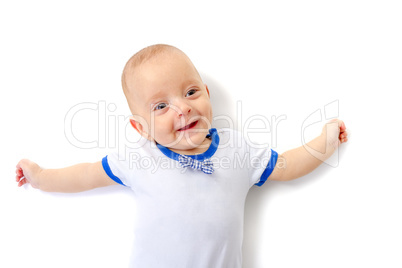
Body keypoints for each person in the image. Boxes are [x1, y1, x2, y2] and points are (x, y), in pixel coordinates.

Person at [15, 44, 348, 267]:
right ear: (140, 127)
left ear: (206, 93)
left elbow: (287, 166)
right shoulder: (140, 157)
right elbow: (86, 174)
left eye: (190, 92)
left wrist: (325, 141)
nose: (183, 107)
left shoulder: (236, 149)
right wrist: (41, 176)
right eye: (161, 106)